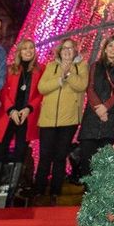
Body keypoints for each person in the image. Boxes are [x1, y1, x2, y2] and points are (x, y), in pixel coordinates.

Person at [35, 38, 88, 203]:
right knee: (45, 156)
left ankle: (55, 192)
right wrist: (59, 80)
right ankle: (38, 191)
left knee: (59, 156)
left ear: (75, 51)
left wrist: (69, 74)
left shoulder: (81, 66)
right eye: (64, 48)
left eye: (70, 48)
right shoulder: (51, 66)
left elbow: (81, 86)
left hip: (69, 119)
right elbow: (42, 87)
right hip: (48, 119)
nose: (67, 51)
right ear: (60, 51)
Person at [77, 36, 114, 179]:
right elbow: (90, 88)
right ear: (105, 48)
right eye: (110, 46)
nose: (113, 49)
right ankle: (88, 195)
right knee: (87, 160)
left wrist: (105, 107)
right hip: (92, 119)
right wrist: (98, 109)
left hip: (112, 119)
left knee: (108, 162)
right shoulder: (95, 65)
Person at [0, 38, 44, 166]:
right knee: (1, 149)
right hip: (8, 114)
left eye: (31, 48)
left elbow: (41, 93)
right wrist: (11, 110)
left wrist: (29, 108)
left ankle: (13, 184)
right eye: (25, 48)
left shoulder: (41, 69)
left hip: (27, 115)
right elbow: (3, 92)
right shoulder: (10, 69)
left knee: (21, 151)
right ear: (19, 52)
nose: (28, 51)